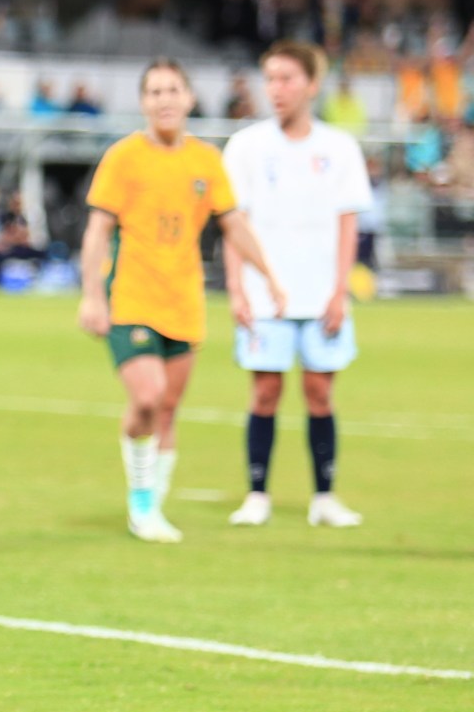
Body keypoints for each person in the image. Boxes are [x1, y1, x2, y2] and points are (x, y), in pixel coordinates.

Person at [78, 58, 285, 543]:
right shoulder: (124, 157)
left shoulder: (206, 161)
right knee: (147, 398)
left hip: (184, 302)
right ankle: (141, 502)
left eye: (173, 90)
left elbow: (233, 224)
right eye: (155, 92)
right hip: (131, 298)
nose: (165, 100)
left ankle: (153, 506)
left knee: (168, 409)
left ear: (189, 98)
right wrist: (91, 296)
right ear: (143, 102)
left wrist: (269, 277)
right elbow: (98, 230)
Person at [222, 41, 372, 528]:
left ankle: (324, 497)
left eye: (286, 78)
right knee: (265, 391)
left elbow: (347, 224)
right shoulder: (246, 146)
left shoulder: (339, 148)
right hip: (265, 294)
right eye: (270, 78)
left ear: (312, 84)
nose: (276, 89)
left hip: (320, 292)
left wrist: (340, 291)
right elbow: (234, 223)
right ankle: (257, 494)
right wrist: (237, 289)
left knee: (319, 392)